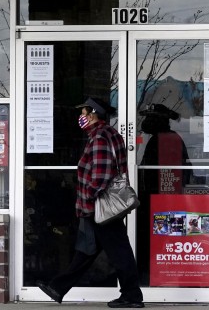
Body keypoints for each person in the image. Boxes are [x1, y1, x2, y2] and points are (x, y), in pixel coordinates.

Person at [38, 97, 144, 309]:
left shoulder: (99, 138)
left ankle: (132, 295)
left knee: (118, 250)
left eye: (84, 113)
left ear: (94, 114)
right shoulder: (111, 134)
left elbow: (101, 173)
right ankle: (58, 288)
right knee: (88, 249)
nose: (81, 117)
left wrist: (89, 197)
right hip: (103, 205)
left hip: (101, 205)